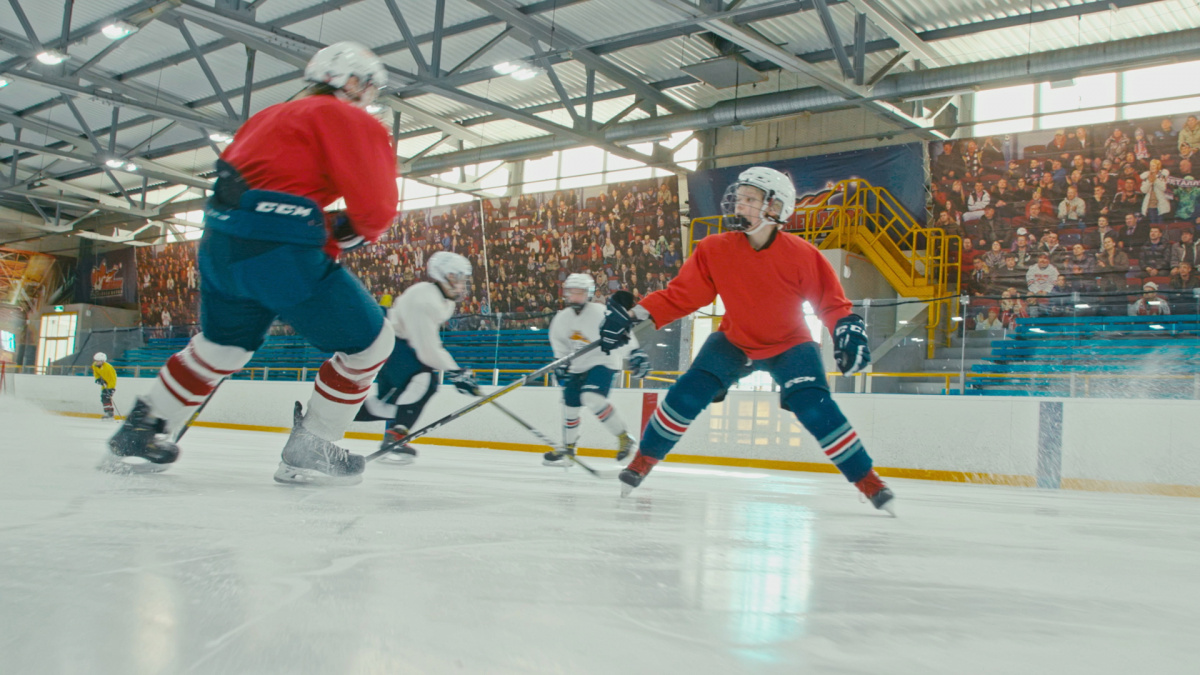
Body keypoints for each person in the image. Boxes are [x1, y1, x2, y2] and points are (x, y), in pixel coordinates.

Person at [101, 42, 398, 485]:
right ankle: (312, 445)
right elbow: (375, 209)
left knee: (221, 348)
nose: (370, 97)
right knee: (372, 344)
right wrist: (342, 229)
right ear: (352, 82)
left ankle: (140, 431)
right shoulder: (347, 117)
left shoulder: (266, 117)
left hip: (220, 247)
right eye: (369, 86)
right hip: (281, 250)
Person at [598, 167, 895, 514]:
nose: (740, 206)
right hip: (734, 340)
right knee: (685, 394)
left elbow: (832, 304)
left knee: (816, 409)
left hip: (790, 344)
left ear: (775, 207)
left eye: (750, 199)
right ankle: (641, 462)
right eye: (739, 198)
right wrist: (635, 316)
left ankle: (871, 483)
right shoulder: (714, 249)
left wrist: (846, 329)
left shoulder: (802, 254)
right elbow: (681, 296)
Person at [356, 252, 481, 464]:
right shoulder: (425, 299)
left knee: (388, 405)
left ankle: (328, 417)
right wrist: (456, 372)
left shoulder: (442, 300)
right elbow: (427, 349)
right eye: (457, 277)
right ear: (443, 276)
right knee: (425, 380)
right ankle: (396, 437)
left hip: (392, 343)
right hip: (390, 343)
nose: (462, 283)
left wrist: (456, 373)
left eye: (463, 278)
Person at [542, 273, 648, 467]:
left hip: (603, 361)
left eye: (580, 292)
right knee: (570, 406)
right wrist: (560, 362)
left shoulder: (600, 312)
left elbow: (620, 331)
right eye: (571, 292)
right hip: (578, 366)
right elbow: (560, 345)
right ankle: (568, 449)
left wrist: (634, 353)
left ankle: (624, 438)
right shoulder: (561, 318)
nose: (575, 296)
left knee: (592, 398)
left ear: (588, 293)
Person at [92, 352, 117, 420]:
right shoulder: (94, 365)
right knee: (103, 398)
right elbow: (96, 373)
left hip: (110, 385)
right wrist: (98, 379)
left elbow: (113, 379)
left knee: (107, 397)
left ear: (103, 361)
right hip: (104, 384)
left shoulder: (109, 368)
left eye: (98, 361)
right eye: (96, 361)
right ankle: (107, 412)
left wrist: (111, 388)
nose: (96, 362)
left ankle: (110, 413)